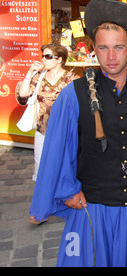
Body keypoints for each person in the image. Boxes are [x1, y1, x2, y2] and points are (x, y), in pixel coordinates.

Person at [28, 0, 127, 267]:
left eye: (118, 47)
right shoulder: (74, 94)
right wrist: (67, 189)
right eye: (103, 48)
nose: (111, 56)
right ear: (94, 50)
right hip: (93, 206)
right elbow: (59, 148)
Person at [17, 43, 78, 224]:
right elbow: (23, 94)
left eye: (48, 56)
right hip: (43, 129)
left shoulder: (71, 78)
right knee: (41, 167)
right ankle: (42, 206)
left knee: (65, 165)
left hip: (64, 131)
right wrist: (29, 72)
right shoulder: (39, 76)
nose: (43, 59)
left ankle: (65, 199)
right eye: (43, 56)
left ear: (60, 59)